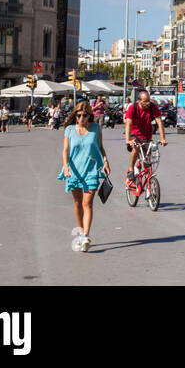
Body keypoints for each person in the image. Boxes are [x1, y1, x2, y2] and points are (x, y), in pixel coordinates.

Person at [59, 100, 110, 253]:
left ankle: (86, 235)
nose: (81, 118)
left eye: (84, 115)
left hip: (91, 169)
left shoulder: (96, 128)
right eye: (78, 115)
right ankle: (81, 232)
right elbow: (65, 150)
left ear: (89, 116)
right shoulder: (69, 129)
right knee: (77, 203)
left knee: (87, 203)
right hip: (74, 170)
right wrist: (66, 166)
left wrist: (106, 162)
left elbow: (101, 148)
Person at [123, 89, 167, 181]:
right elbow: (128, 124)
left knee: (147, 158)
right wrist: (127, 140)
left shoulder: (152, 107)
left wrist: (163, 138)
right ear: (138, 101)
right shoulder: (132, 107)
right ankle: (131, 168)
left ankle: (148, 183)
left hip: (146, 135)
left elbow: (159, 121)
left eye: (148, 100)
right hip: (134, 134)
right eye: (145, 101)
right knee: (136, 147)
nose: (147, 103)